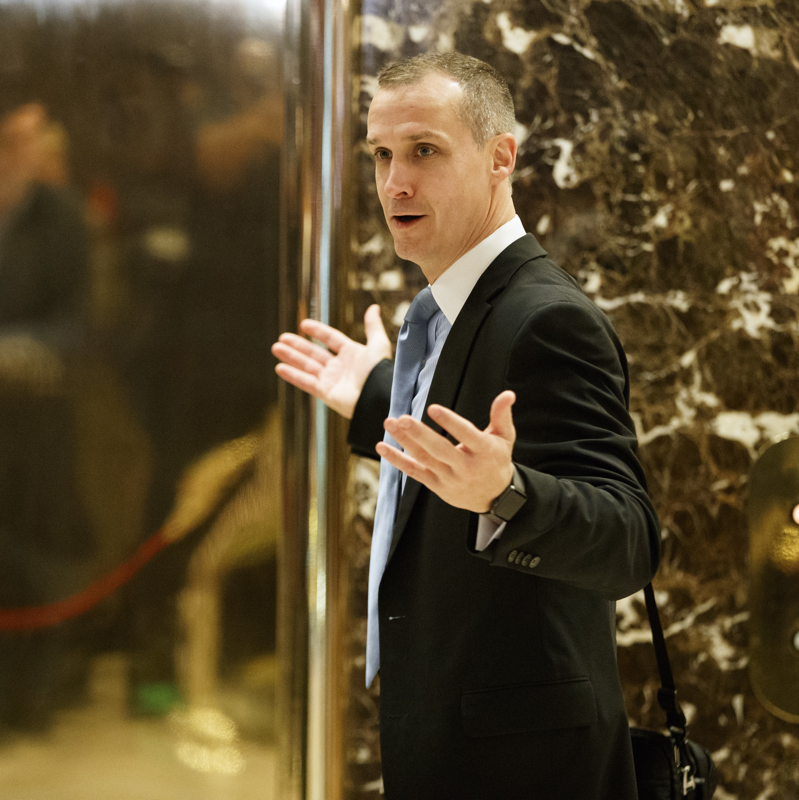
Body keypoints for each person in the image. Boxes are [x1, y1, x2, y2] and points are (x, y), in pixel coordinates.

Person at [272, 52, 659, 799]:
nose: (395, 183)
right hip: (450, 745)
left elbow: (630, 541)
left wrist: (507, 494)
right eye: (382, 155)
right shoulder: (447, 311)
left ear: (499, 158)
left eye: (424, 150)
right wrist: (380, 393)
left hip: (525, 770)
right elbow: (461, 419)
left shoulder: (547, 320)